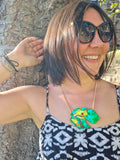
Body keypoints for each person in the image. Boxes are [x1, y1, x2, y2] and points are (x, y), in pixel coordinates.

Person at [0, 0, 120, 159]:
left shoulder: (117, 96)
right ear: (60, 38)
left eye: (104, 31)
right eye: (85, 31)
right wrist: (12, 62)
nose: (99, 43)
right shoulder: (38, 99)